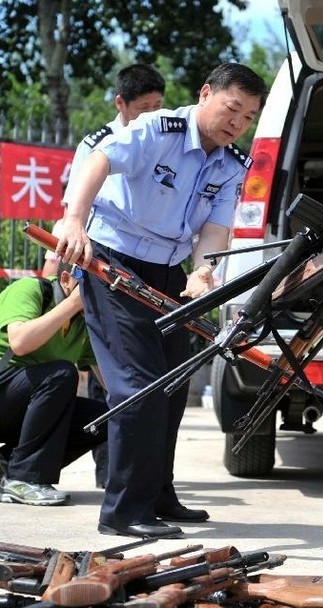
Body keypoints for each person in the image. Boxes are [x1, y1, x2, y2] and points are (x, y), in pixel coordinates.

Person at [57, 62, 267, 538]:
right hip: (115, 261)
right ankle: (124, 511)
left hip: (171, 273)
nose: (237, 122)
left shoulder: (233, 162)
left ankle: (157, 493)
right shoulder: (159, 127)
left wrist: (204, 270)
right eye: (233, 108)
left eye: (248, 117)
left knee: (171, 388)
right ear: (205, 93)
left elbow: (215, 227)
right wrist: (73, 220)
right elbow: (100, 161)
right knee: (139, 386)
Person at [44, 64, 167, 488]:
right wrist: (67, 269)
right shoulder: (97, 144)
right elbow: (74, 210)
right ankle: (109, 469)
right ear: (121, 104)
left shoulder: (162, 138)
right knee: (106, 372)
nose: (151, 113)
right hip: (97, 262)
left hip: (145, 268)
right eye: (143, 107)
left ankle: (136, 472)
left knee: (131, 373)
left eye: (157, 105)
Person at [0, 263, 108, 506]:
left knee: (105, 418)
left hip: (26, 407)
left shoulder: (84, 325)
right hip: (4, 390)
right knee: (61, 374)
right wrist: (73, 304)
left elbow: (111, 383)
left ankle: (6, 465)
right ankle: (23, 479)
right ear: (67, 278)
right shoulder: (31, 289)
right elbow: (19, 342)